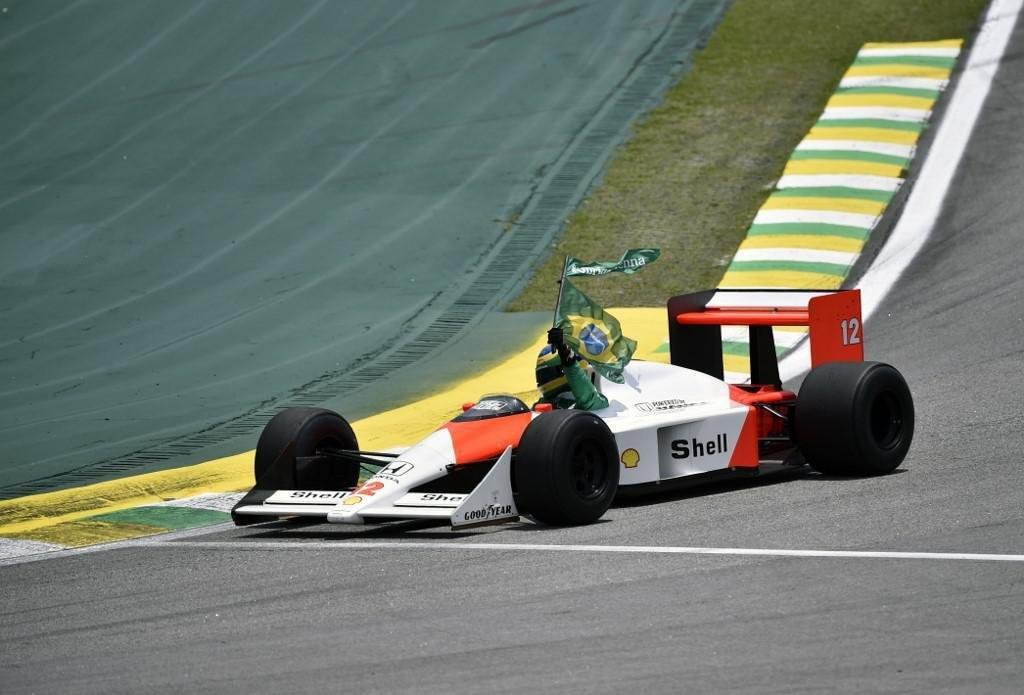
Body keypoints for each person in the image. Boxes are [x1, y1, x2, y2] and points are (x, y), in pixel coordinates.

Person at [535, 327, 609, 411]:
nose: (543, 378)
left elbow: (588, 399)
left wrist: (568, 361)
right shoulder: (541, 405)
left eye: (546, 374)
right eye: (542, 374)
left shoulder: (592, 403)